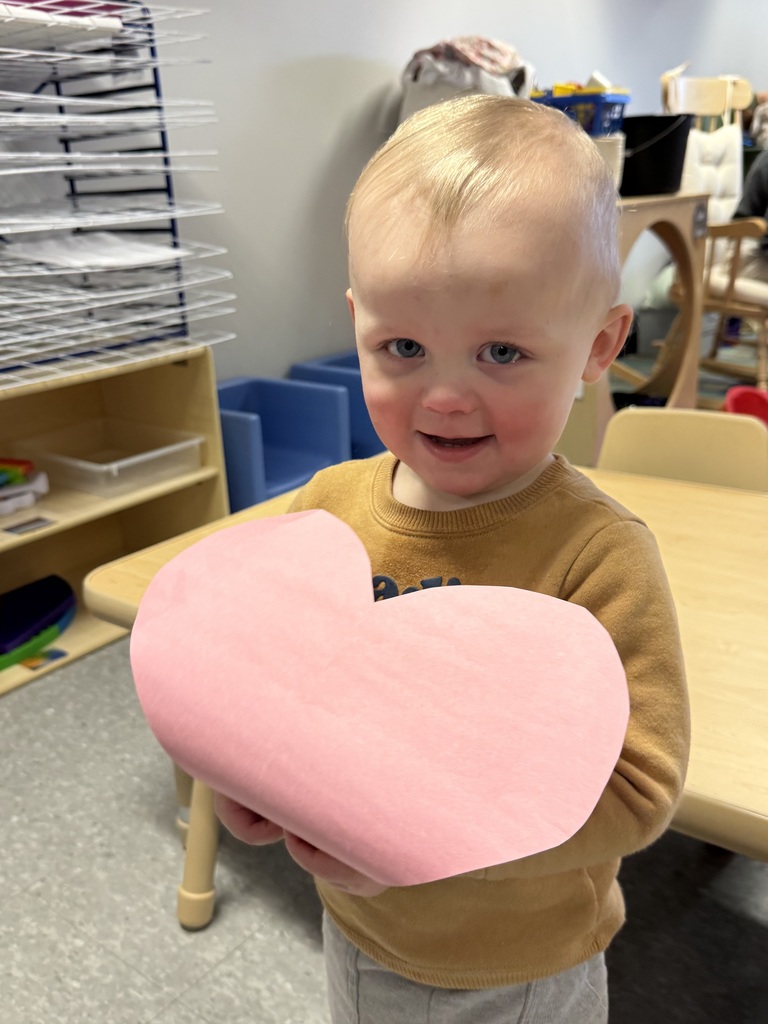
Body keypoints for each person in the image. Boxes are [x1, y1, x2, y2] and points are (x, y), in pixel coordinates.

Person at [215, 94, 690, 1023]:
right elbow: (270, 689)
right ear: (355, 324)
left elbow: (640, 789)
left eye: (501, 351)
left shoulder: (597, 557)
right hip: (358, 932)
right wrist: (251, 784)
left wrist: (421, 836)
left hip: (518, 966)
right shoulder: (328, 511)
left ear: (598, 346)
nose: (444, 398)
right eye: (402, 348)